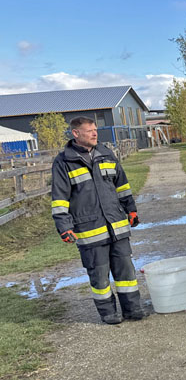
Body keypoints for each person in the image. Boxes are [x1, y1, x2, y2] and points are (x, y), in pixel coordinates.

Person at [51, 117, 144, 324]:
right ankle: (108, 313)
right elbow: (59, 198)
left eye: (95, 129)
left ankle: (133, 309)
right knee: (100, 275)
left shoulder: (106, 154)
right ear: (76, 134)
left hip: (117, 225)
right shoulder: (64, 162)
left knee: (126, 272)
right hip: (89, 229)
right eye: (89, 131)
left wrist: (131, 209)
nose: (95, 133)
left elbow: (122, 185)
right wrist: (64, 226)